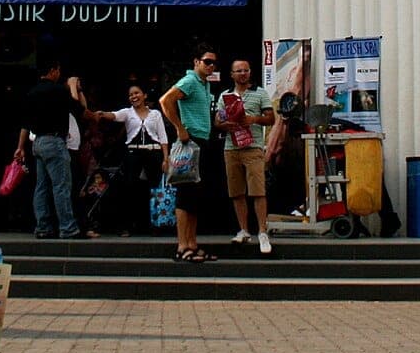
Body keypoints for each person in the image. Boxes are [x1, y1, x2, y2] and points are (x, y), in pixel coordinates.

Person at [81, 81, 169, 235]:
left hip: (153, 152)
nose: (134, 96)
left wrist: (165, 158)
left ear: (144, 95)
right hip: (133, 153)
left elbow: (163, 137)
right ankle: (128, 226)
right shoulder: (128, 113)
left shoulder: (155, 114)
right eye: (131, 95)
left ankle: (156, 226)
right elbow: (113, 115)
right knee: (130, 188)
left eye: (136, 93)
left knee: (155, 188)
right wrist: (100, 114)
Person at [160, 43, 218, 263]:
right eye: (207, 61)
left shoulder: (204, 84)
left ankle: (191, 244)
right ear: (196, 62)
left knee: (195, 196)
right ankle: (182, 246)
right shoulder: (190, 80)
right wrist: (180, 128)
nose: (211, 66)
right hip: (190, 140)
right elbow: (166, 100)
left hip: (201, 140)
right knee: (185, 194)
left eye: (213, 63)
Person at [15, 54, 83, 239]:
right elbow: (77, 109)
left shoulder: (32, 93)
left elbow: (25, 123)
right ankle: (68, 227)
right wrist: (72, 86)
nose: (59, 73)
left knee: (41, 187)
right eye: (58, 70)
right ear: (53, 71)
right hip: (54, 141)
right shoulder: (58, 91)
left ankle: (43, 227)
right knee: (61, 186)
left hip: (37, 142)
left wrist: (20, 146)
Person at [218, 58, 276, 254]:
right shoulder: (225, 95)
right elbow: (218, 120)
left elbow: (271, 118)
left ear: (250, 72)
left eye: (246, 70)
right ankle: (243, 229)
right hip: (231, 147)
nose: (243, 74)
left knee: (258, 190)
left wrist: (253, 119)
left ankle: (262, 231)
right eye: (239, 71)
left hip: (253, 146)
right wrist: (224, 124)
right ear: (232, 74)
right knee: (236, 191)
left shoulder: (260, 93)